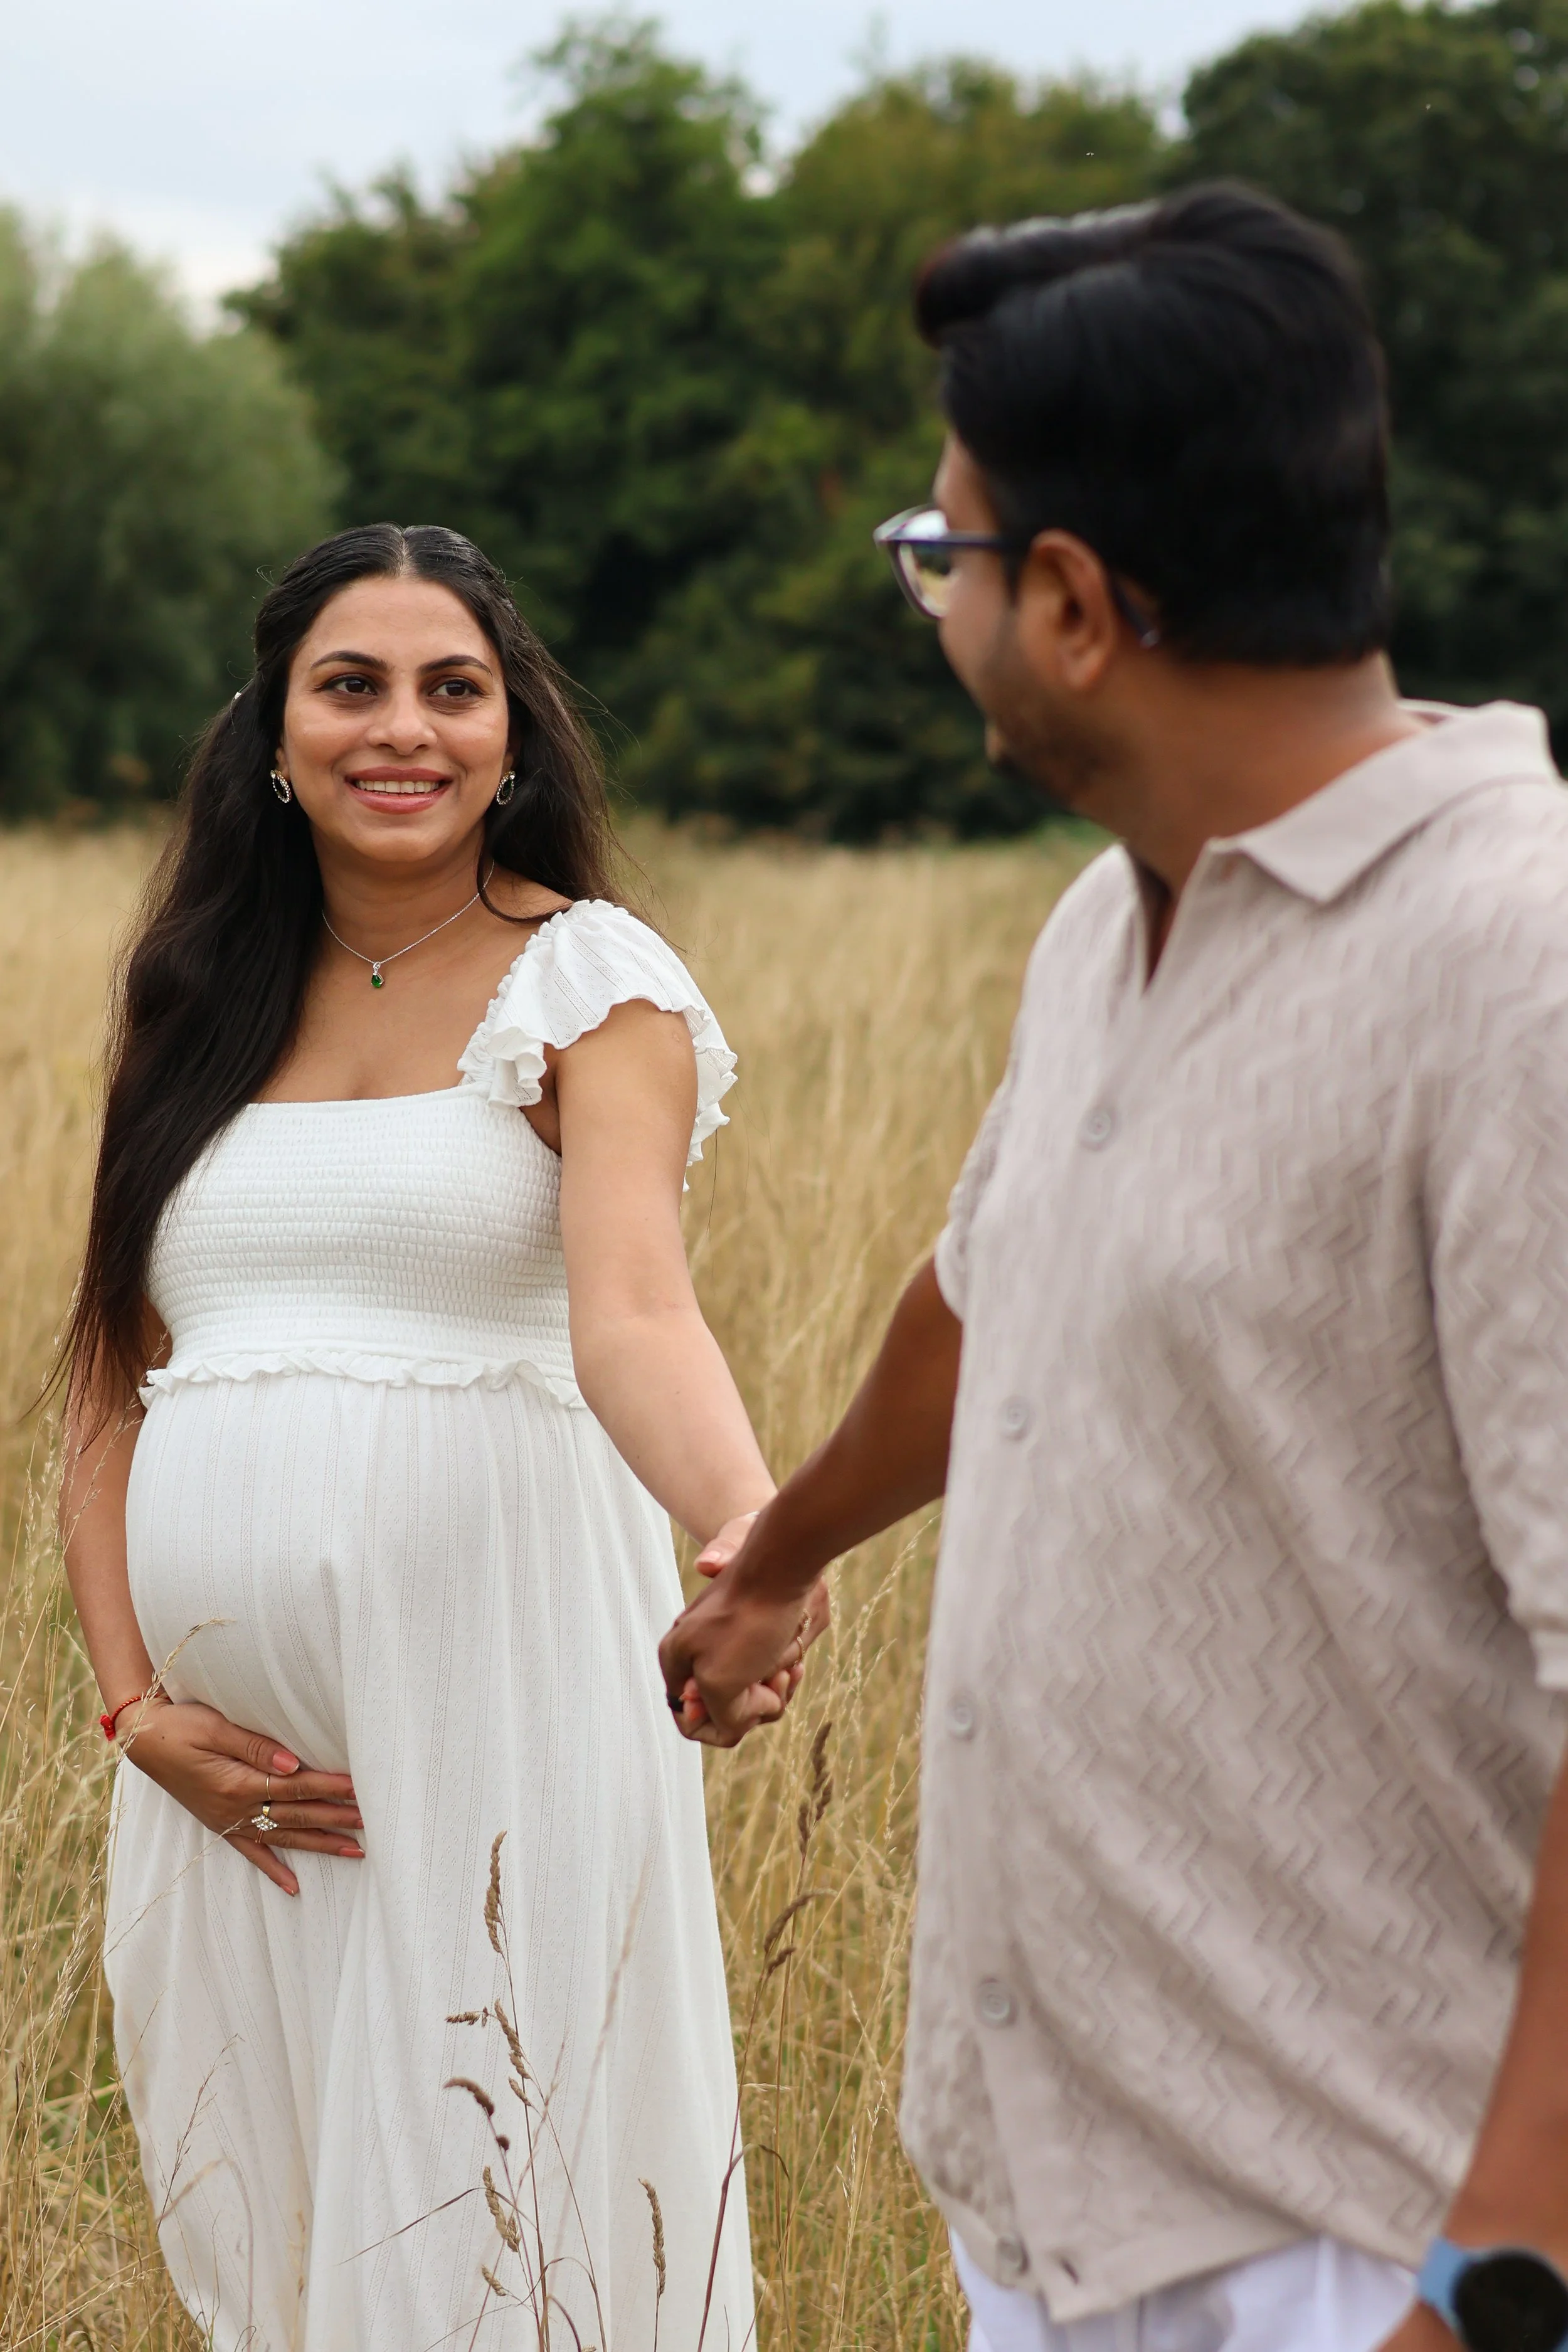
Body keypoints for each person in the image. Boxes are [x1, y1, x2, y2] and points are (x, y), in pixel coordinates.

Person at [660, 185, 1568, 2352]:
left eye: (939, 553)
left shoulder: (1513, 968)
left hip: (1362, 2247)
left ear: (1067, 602)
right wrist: (782, 1547)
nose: (930, 599)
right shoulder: (1114, 913)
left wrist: (1491, 2284)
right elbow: (988, 1298)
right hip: (1071, 2219)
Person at [61, 522, 818, 2351]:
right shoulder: (193, 993)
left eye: (451, 689)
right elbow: (114, 1376)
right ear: (273, 730)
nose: (402, 729)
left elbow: (633, 1310)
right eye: (352, 685)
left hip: (496, 1703)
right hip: (233, 1787)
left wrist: (751, 1542)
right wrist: (135, 1701)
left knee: (506, 2222)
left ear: (514, 735)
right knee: (295, 2227)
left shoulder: (590, 982)